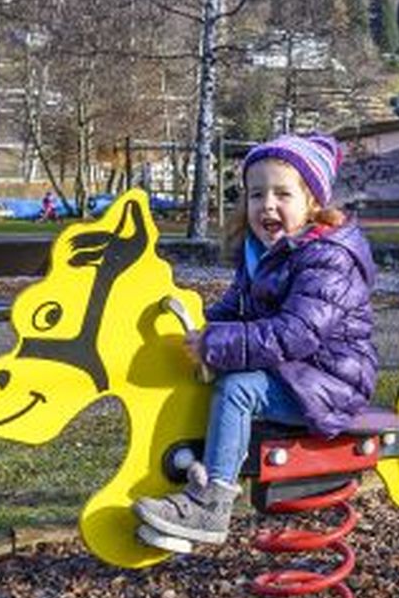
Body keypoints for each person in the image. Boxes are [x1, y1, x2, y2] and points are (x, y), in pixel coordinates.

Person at [134, 133, 378, 546]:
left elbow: (297, 334)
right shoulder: (261, 254)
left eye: (283, 193)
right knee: (209, 379)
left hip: (332, 383)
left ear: (313, 204)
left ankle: (211, 507)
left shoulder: (327, 258)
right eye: (255, 194)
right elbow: (232, 310)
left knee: (237, 389)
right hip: (296, 374)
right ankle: (195, 478)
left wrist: (217, 343)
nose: (267, 204)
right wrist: (194, 328)